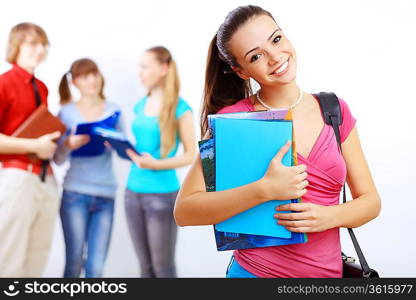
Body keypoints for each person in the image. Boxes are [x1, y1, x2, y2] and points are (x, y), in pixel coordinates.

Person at [174, 5, 381, 278]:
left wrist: (328, 217)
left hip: (327, 276)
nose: (275, 57)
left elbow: (371, 201)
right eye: (256, 56)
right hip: (254, 275)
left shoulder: (334, 110)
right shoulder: (232, 121)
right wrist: (264, 190)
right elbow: (185, 211)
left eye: (276, 39)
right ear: (241, 71)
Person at [124, 46, 196, 278]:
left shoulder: (181, 109)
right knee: (145, 268)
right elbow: (141, 148)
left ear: (163, 68)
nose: (140, 73)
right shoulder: (140, 104)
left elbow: (190, 154)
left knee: (162, 268)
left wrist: (155, 165)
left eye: (145, 67)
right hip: (132, 193)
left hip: (162, 196)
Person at [0, 23, 61, 277]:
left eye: (43, 44)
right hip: (18, 178)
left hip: (46, 179)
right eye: (32, 44)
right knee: (10, 259)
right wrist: (34, 146)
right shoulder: (4, 83)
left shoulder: (42, 87)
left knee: (38, 257)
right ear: (17, 46)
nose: (40, 50)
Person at [54, 58, 122, 278]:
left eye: (94, 74)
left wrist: (115, 142)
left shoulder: (114, 110)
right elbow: (57, 159)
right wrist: (67, 144)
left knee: (96, 268)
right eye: (84, 76)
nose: (92, 80)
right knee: (73, 263)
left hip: (106, 195)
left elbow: (128, 152)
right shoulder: (65, 113)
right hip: (75, 194)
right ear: (74, 82)